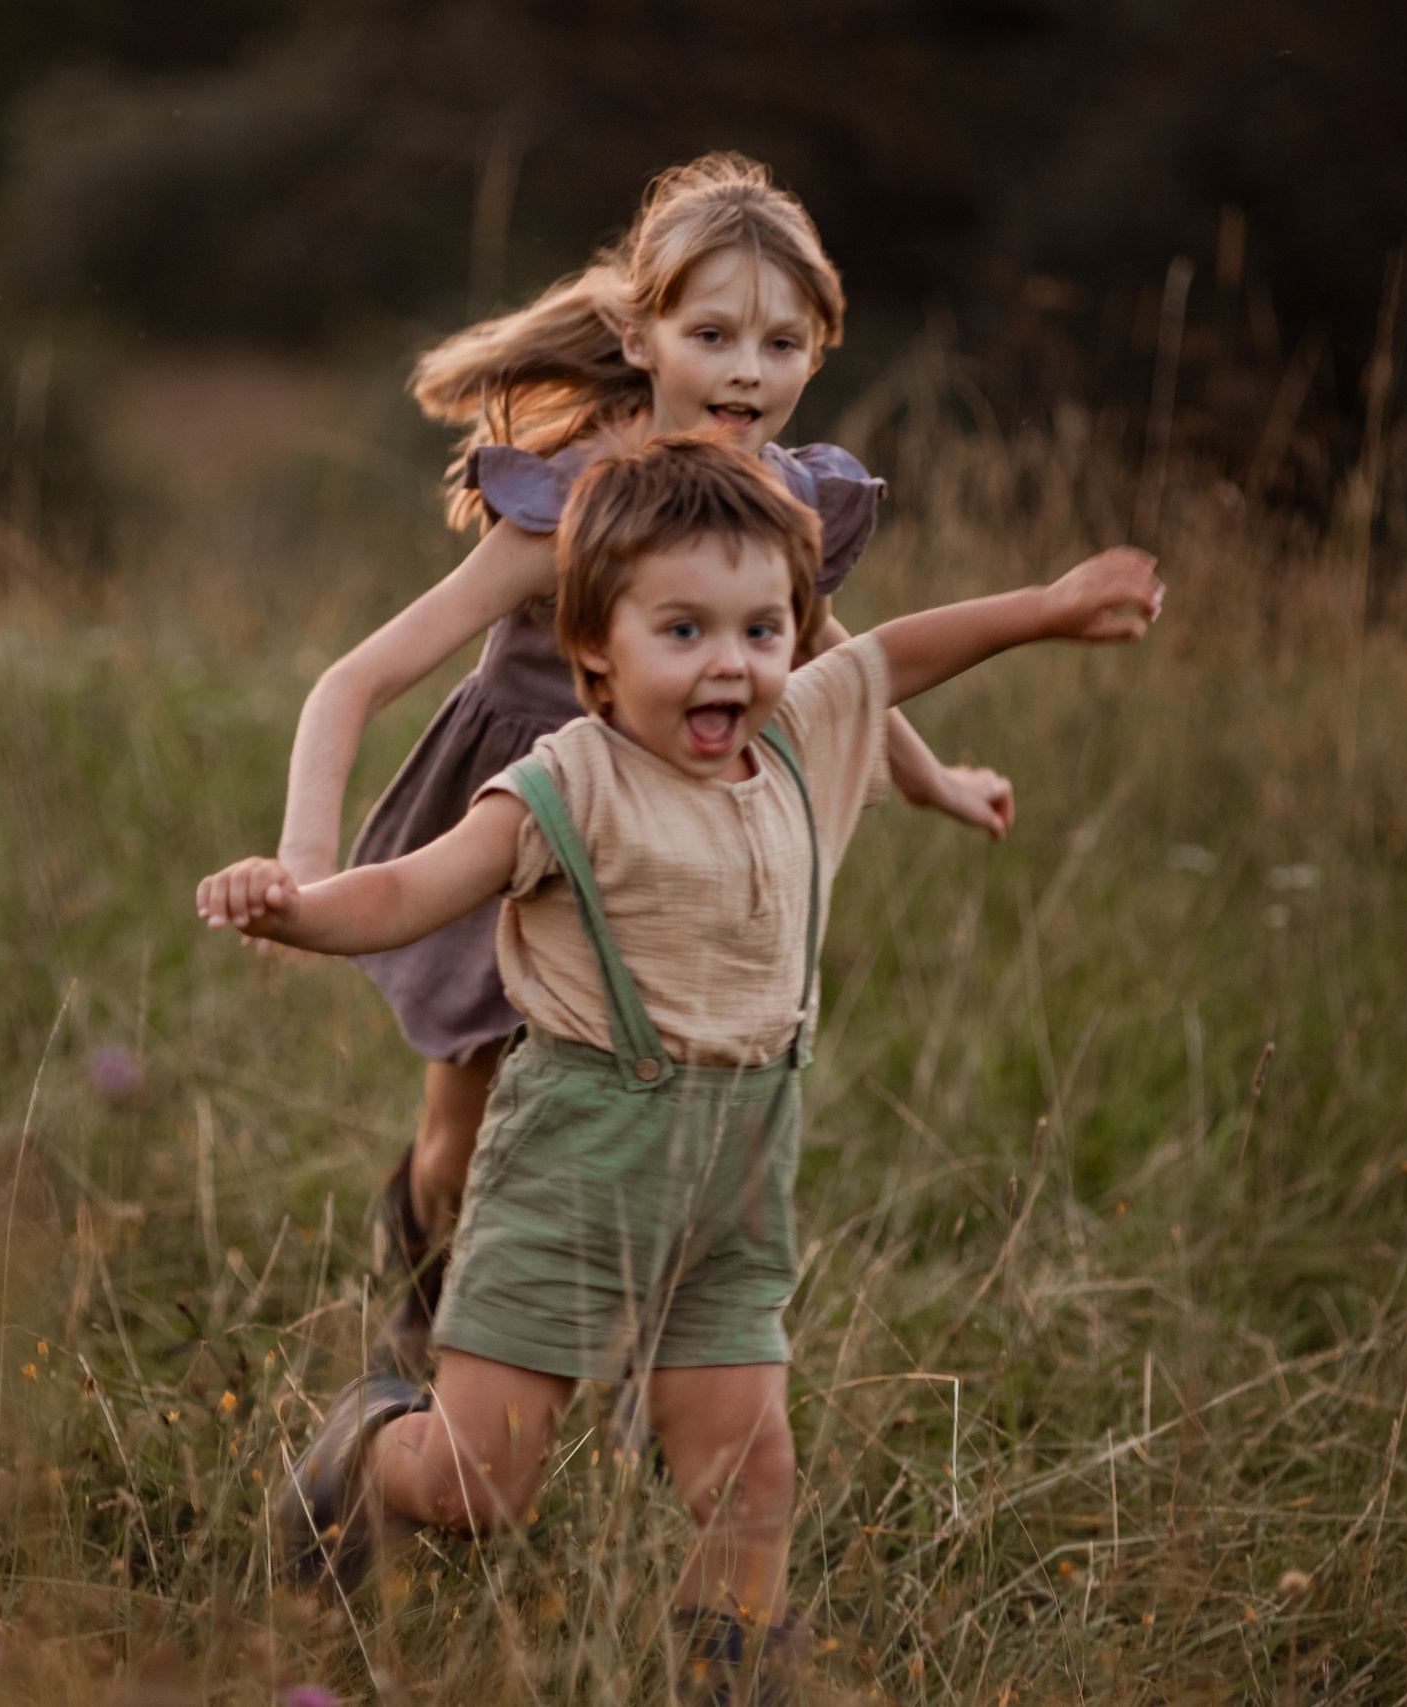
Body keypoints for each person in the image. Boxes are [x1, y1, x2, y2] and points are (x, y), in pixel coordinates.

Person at [199, 435, 1162, 1699]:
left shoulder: (803, 739)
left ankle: (730, 1679)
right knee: (482, 1488)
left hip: (737, 1175)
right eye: (686, 632)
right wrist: (293, 905)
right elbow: (404, 890)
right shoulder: (564, 784)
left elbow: (900, 652)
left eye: (764, 630)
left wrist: (1044, 610)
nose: (734, 663)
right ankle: (360, 1458)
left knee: (749, 1468)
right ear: (596, 648)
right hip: (574, 1160)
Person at [273, 154, 1015, 1372]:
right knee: (465, 1139)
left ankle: (656, 1374)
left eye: (781, 344)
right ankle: (419, 1304)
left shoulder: (779, 504)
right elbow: (353, 679)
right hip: (521, 817)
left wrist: (934, 782)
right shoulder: (571, 508)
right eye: (712, 332)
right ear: (642, 331)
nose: (744, 371)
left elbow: (836, 668)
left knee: (665, 1108)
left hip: (673, 837)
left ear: (819, 354)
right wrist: (304, 866)